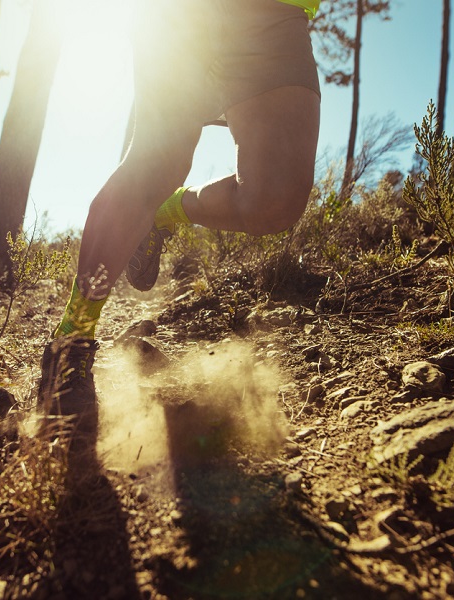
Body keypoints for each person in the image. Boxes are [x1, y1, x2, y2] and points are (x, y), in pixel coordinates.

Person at [37, 0, 322, 426]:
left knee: (274, 202)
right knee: (156, 164)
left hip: (275, 14)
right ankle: (71, 341)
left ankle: (164, 213)